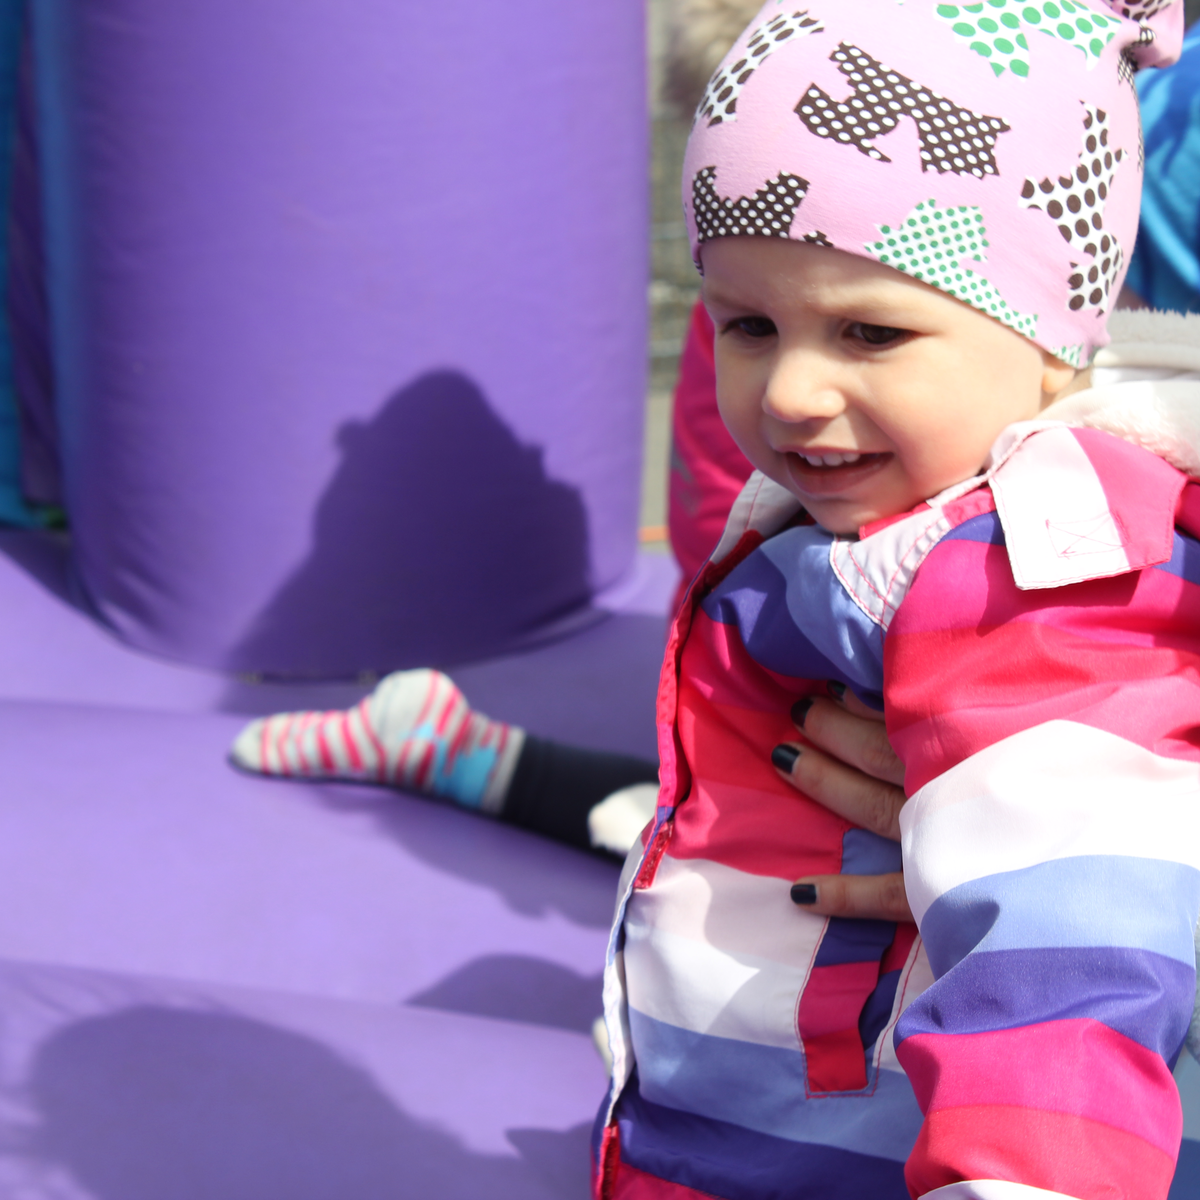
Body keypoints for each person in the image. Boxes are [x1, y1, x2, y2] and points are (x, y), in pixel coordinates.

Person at [592, 1, 1200, 1198]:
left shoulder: (1035, 570)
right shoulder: (867, 528)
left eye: (870, 332)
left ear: (1052, 345)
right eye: (749, 324)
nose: (792, 391)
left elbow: (1062, 969)